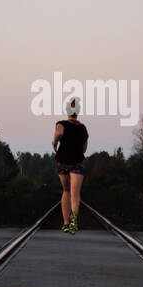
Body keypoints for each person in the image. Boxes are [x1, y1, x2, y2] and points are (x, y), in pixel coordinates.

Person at [52, 97, 88, 234]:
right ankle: (73, 222)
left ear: (67, 112)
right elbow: (84, 149)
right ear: (77, 112)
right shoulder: (83, 128)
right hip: (77, 162)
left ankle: (66, 224)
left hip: (62, 162)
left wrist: (55, 143)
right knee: (75, 193)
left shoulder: (60, 124)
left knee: (66, 191)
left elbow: (58, 134)